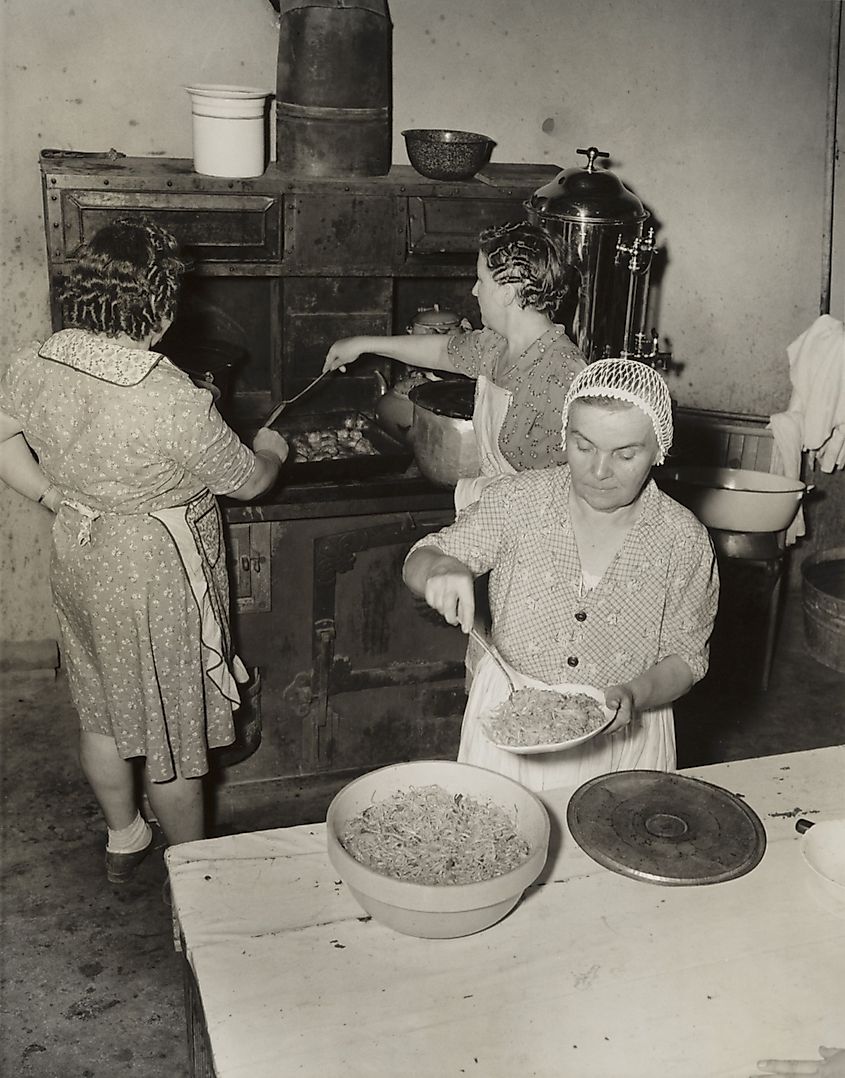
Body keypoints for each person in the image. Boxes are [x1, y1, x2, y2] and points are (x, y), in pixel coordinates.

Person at [0, 218, 289, 882]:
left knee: (103, 711)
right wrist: (273, 449)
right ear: (160, 308)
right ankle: (194, 882)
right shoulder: (170, 400)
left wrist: (49, 495)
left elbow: (3, 434)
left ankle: (124, 836)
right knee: (172, 741)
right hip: (153, 577)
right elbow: (247, 481)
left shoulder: (37, 359)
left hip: (80, 551)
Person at [402, 358, 719, 791]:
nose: (600, 470)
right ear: (564, 435)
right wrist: (441, 568)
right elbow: (422, 556)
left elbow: (687, 657)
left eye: (626, 454)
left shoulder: (682, 539)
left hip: (625, 731)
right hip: (512, 718)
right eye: (583, 446)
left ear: (659, 451)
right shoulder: (521, 501)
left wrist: (634, 694)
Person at [323, 219, 587, 513]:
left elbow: (568, 491)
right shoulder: (496, 345)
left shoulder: (563, 374)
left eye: (481, 280)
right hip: (498, 511)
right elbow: (441, 351)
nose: (474, 291)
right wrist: (362, 344)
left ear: (507, 292)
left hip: (536, 531)